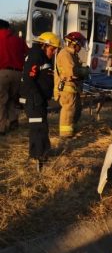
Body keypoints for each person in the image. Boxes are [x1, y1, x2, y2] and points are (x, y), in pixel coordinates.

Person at [21, 32, 60, 171]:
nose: (54, 52)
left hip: (39, 99)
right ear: (44, 45)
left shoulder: (42, 56)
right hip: (33, 99)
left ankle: (42, 152)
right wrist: (36, 96)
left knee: (42, 126)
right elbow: (28, 78)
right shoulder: (36, 56)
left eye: (55, 49)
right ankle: (39, 156)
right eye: (52, 49)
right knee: (38, 128)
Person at [54, 31, 88, 138]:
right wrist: (83, 71)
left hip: (73, 87)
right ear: (74, 43)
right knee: (68, 110)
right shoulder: (65, 54)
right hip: (66, 87)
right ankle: (65, 135)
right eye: (80, 45)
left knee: (76, 109)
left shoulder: (72, 54)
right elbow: (72, 72)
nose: (81, 47)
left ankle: (71, 129)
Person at [0, 19, 28, 135]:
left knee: (1, 101)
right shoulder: (18, 40)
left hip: (2, 73)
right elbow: (27, 52)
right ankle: (13, 121)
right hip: (18, 73)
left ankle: (1, 128)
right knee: (12, 98)